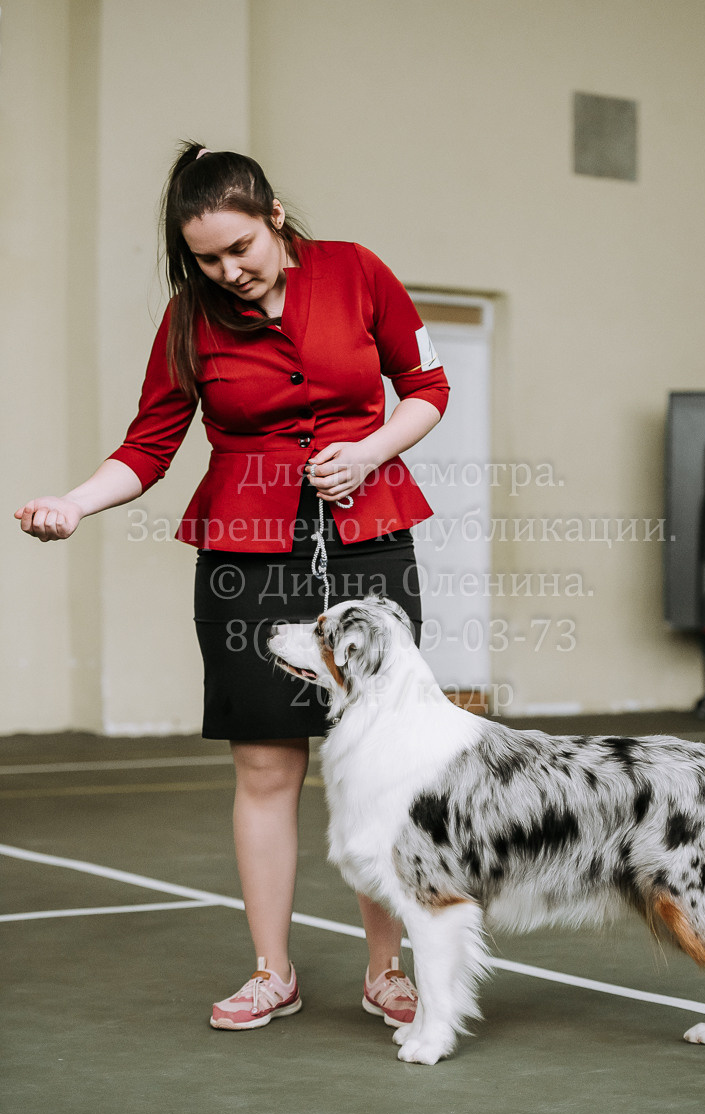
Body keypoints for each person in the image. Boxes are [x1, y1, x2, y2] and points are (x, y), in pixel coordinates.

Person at [14, 142, 449, 1032]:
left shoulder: (358, 273)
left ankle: (386, 971)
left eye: (240, 248)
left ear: (274, 217)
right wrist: (74, 501)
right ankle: (271, 971)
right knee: (263, 762)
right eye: (207, 258)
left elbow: (426, 386)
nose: (228, 271)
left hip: (368, 537)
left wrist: (370, 449)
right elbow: (148, 447)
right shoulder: (189, 318)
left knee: (380, 760)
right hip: (247, 551)